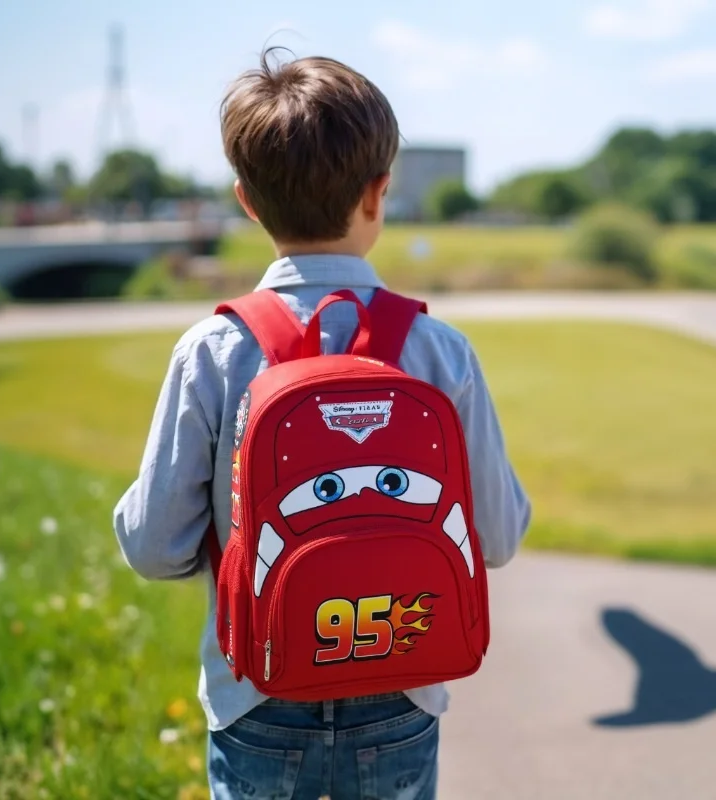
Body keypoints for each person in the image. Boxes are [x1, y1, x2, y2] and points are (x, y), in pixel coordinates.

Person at [113, 48, 531, 800]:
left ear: (247, 200)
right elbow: (496, 538)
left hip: (258, 697)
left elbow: (154, 548)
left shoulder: (214, 350)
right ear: (380, 194)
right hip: (404, 688)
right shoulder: (439, 352)